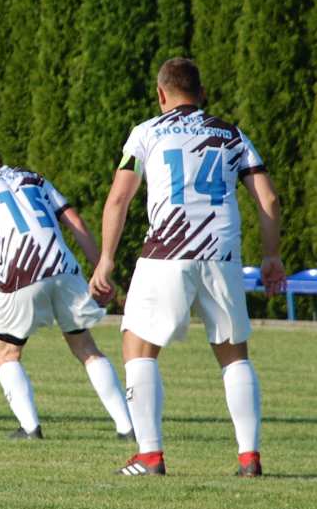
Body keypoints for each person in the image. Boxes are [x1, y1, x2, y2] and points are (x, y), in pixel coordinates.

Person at [89, 58, 286, 476]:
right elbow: (268, 200)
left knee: (137, 346)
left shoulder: (147, 132)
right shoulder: (231, 134)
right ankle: (249, 457)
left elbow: (118, 199)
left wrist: (105, 258)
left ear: (162, 94)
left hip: (166, 253)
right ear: (201, 92)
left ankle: (150, 455)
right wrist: (271, 256)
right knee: (233, 355)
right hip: (222, 254)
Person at [0, 128, 134, 440]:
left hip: (21, 270)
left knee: (8, 352)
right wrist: (99, 268)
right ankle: (126, 427)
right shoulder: (32, 177)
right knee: (86, 347)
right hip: (62, 266)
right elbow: (75, 222)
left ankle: (30, 427)